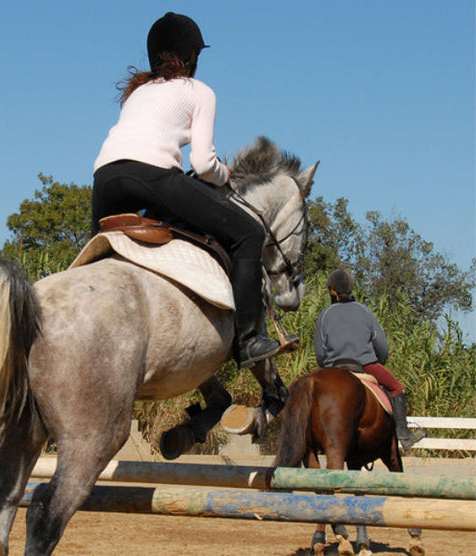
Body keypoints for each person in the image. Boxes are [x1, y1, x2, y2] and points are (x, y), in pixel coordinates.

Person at [91, 12, 279, 368]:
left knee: (94, 263)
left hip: (104, 179)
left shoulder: (138, 92)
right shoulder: (199, 91)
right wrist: (225, 176)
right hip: (151, 175)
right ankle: (250, 339)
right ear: (191, 56)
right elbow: (205, 164)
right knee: (248, 233)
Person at [314, 269, 426, 450]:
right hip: (365, 366)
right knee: (397, 388)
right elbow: (382, 347)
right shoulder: (365, 312)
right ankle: (404, 435)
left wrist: (327, 367)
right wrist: (377, 362)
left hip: (334, 368)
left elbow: (320, 353)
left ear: (332, 291)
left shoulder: (325, 314)